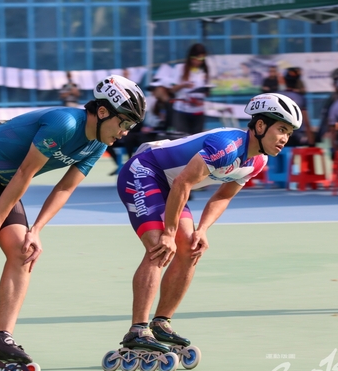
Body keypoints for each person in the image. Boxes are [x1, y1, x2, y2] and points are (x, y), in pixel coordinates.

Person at [0, 75, 146, 369]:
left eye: (131, 126)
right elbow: (25, 173)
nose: (125, 132)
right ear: (103, 111)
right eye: (124, 122)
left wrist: (36, 230)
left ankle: (2, 340)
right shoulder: (65, 124)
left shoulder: (95, 146)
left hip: (4, 180)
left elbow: (64, 188)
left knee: (23, 251)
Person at [114, 93, 302, 355]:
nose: (284, 138)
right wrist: (169, 232)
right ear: (260, 126)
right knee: (160, 247)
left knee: (190, 249)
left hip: (172, 185)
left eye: (289, 133)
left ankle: (161, 323)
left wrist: (201, 230)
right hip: (144, 172)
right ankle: (137, 330)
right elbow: (184, 182)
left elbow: (223, 196)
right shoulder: (228, 146)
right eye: (281, 129)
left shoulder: (258, 161)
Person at [171, 43, 210, 135]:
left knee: (196, 138)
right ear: (191, 57)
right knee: (182, 138)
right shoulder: (180, 68)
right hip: (182, 111)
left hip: (198, 111)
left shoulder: (204, 70)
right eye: (197, 59)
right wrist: (183, 85)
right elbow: (172, 89)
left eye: (202, 59)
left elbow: (206, 93)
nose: (198, 62)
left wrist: (206, 90)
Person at [278, 68, 315, 147]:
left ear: (284, 80)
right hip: (295, 137)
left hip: (278, 135)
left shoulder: (277, 95)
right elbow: (306, 123)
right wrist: (312, 143)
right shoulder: (300, 98)